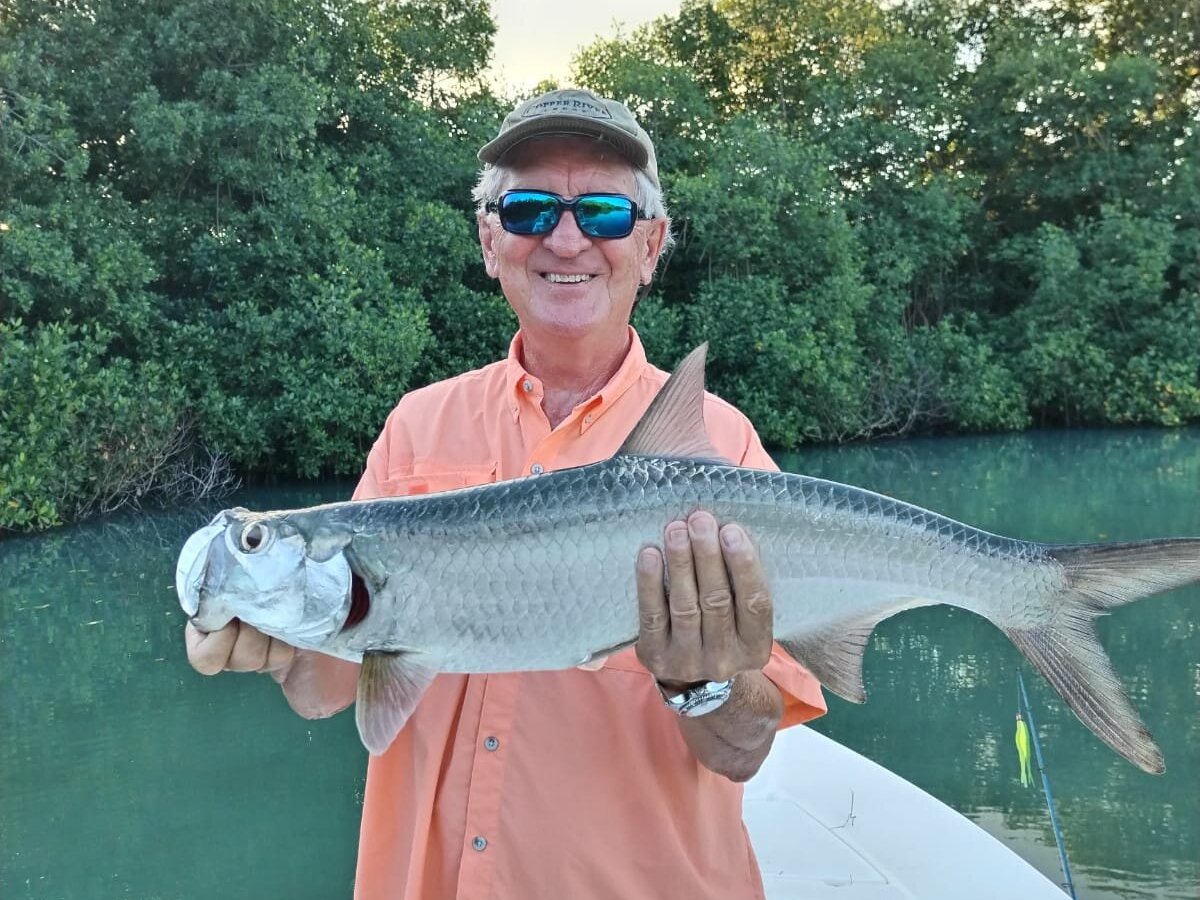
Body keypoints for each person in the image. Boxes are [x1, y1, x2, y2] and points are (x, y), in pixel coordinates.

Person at [186, 88, 826, 900]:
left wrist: (703, 684)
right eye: (526, 210)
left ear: (652, 244)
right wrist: (276, 644)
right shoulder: (416, 427)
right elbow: (331, 689)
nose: (566, 238)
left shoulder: (720, 446)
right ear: (490, 241)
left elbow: (747, 745)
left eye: (603, 211)